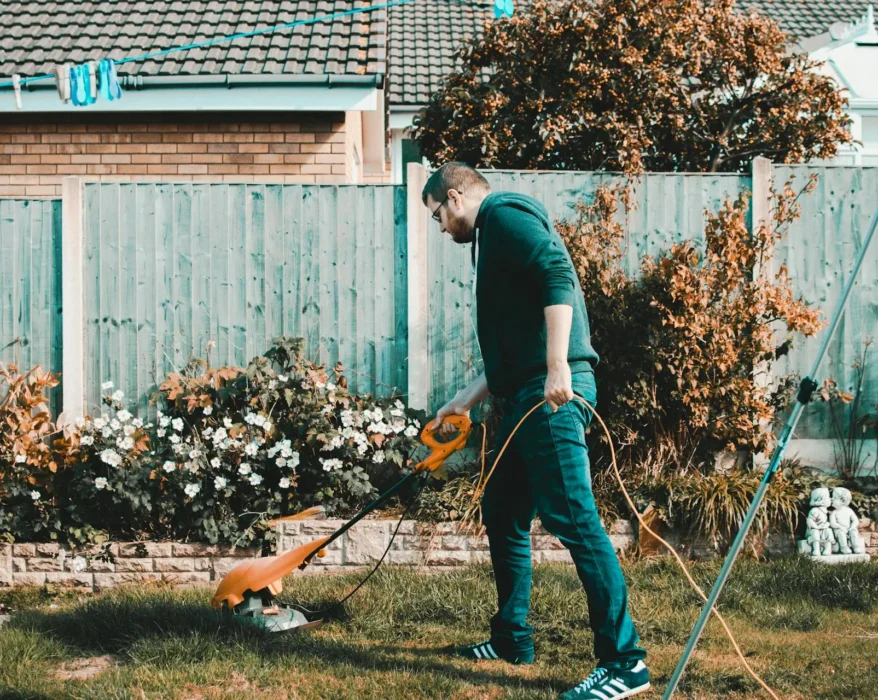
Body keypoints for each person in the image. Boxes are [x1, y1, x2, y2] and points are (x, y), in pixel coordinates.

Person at [423, 162, 649, 700]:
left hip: (550, 397)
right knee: (502, 510)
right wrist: (463, 400)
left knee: (574, 519)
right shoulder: (491, 237)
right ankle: (511, 639)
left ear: (455, 198)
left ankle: (625, 664)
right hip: (526, 394)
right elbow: (512, 350)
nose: (439, 228)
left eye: (436, 216)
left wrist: (556, 365)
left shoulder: (504, 214)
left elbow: (556, 273)